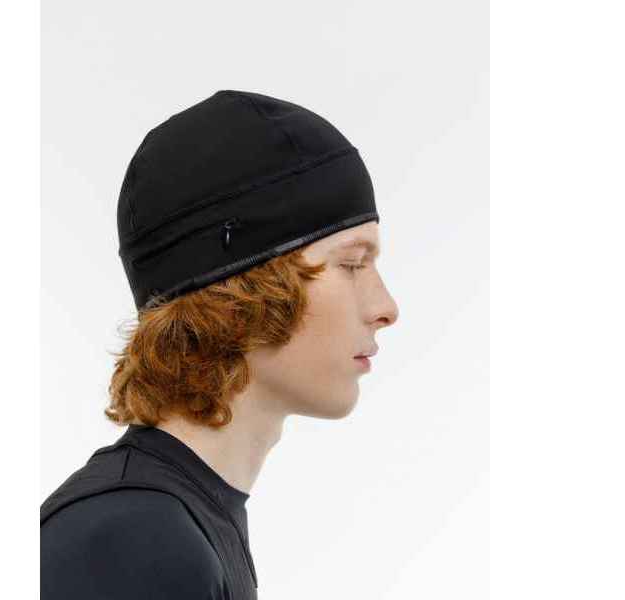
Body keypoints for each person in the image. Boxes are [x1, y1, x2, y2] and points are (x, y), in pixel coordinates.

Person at [40, 89, 399, 599]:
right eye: (351, 264)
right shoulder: (132, 538)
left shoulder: (178, 520)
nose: (386, 308)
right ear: (241, 290)